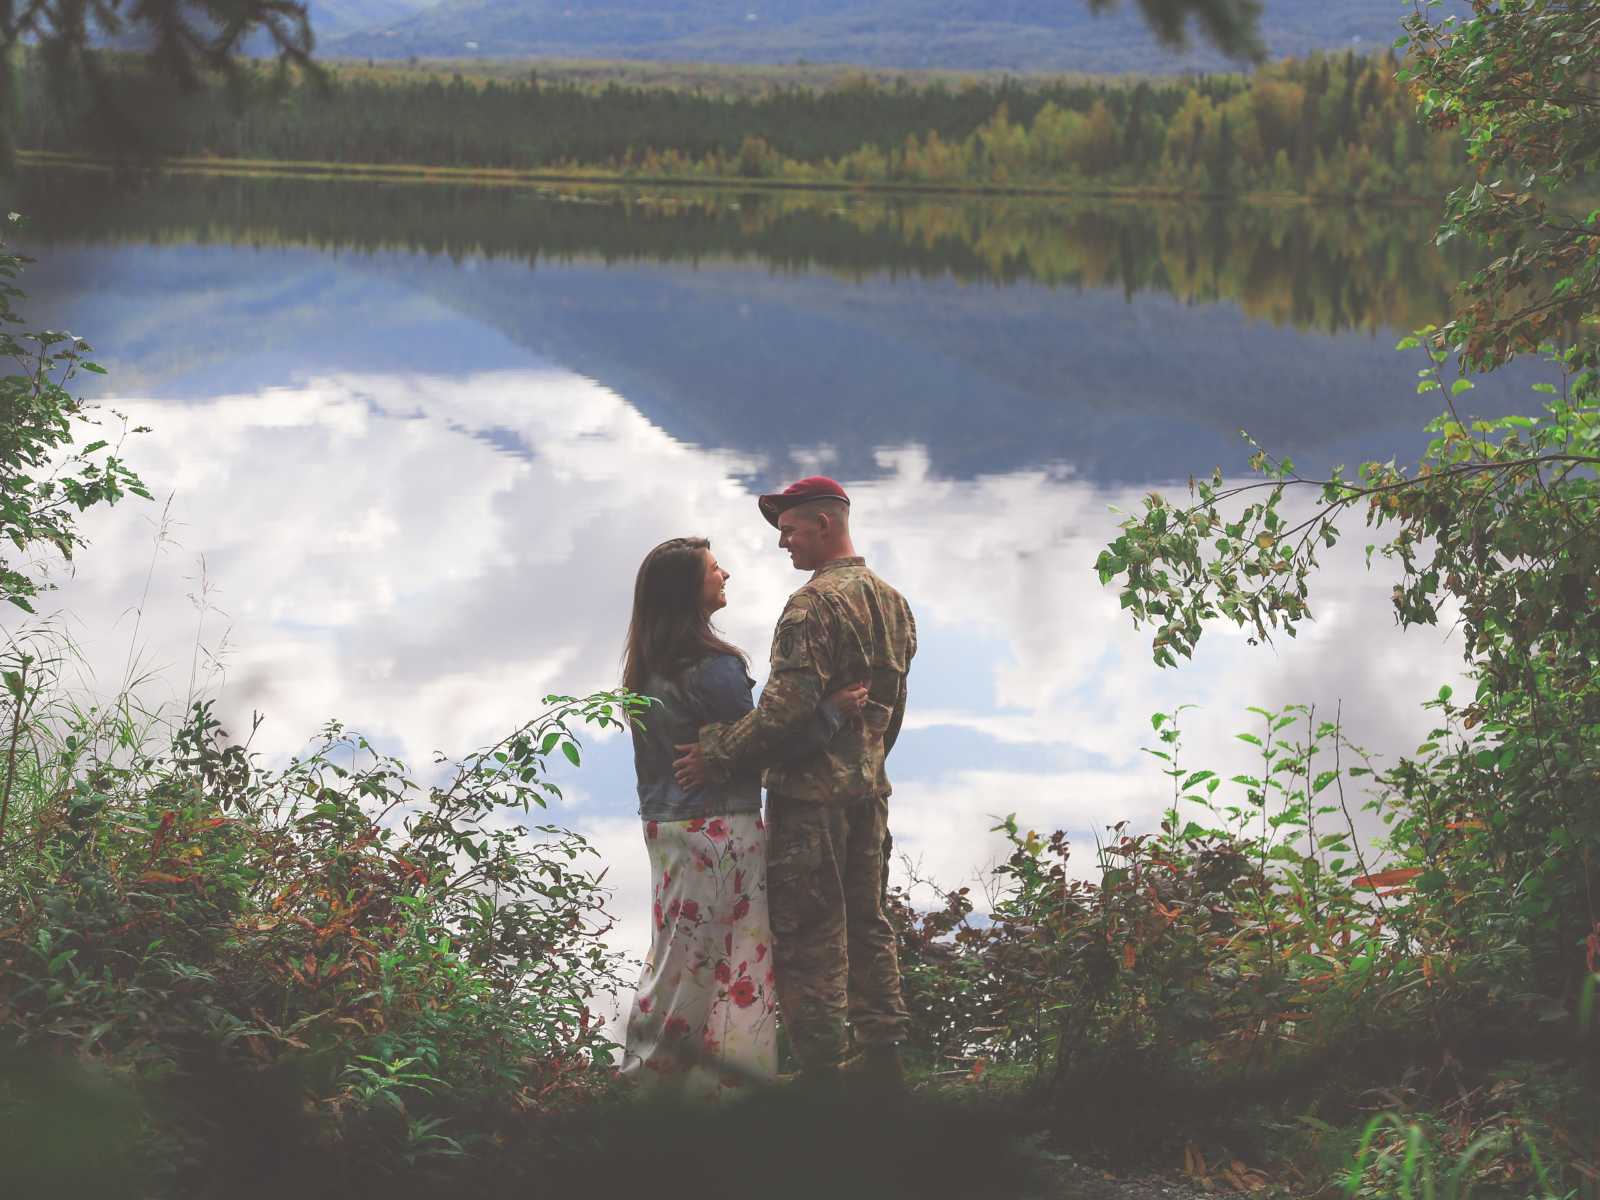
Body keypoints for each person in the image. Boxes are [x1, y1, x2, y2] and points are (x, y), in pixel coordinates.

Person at [673, 477, 917, 1096]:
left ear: (825, 524)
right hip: (869, 792)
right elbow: (894, 707)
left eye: (790, 529)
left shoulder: (811, 606)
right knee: (868, 920)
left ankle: (819, 1074)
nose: (782, 542)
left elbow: (783, 713)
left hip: (810, 800)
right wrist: (866, 762)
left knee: (809, 932)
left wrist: (718, 751)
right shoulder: (891, 600)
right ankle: (883, 1057)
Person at [619, 535, 867, 1102]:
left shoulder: (648, 665)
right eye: (713, 569)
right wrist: (831, 712)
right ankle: (672, 1086)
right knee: (728, 957)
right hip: (719, 829)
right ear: (688, 589)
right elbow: (764, 744)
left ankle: (687, 1084)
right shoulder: (714, 669)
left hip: (667, 828)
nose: (725, 573)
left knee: (679, 953)